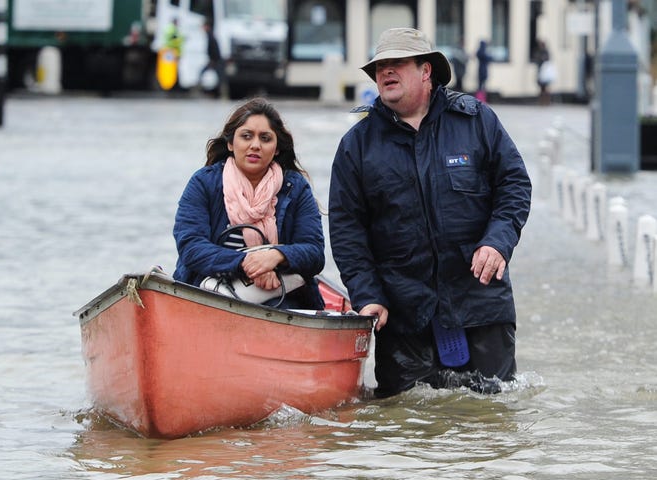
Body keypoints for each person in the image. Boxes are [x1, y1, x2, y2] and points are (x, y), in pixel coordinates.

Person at [328, 28, 532, 398]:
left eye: (397, 64)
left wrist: (498, 243)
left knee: (492, 422)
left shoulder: (476, 121)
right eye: (380, 66)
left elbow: (515, 186)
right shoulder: (356, 146)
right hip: (403, 319)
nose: (386, 72)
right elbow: (346, 230)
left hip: (480, 306)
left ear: (426, 71)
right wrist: (366, 294)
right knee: (407, 431)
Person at [173, 97, 326, 310]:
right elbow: (191, 247)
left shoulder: (296, 187)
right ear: (230, 143)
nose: (255, 145)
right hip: (209, 296)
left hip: (280, 297)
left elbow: (314, 253)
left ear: (277, 148)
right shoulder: (203, 183)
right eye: (246, 136)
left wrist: (276, 256)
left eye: (265, 138)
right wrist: (247, 264)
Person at [200, 19, 224, 98]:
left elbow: (213, 49)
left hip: (215, 59)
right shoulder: (210, 35)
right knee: (218, 76)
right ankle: (218, 93)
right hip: (214, 59)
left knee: (219, 76)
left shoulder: (210, 36)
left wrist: (212, 60)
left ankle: (221, 93)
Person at [533, 40, 554, 105]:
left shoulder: (545, 52)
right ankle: (542, 101)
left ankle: (546, 101)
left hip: (545, 72)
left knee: (545, 87)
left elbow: (546, 60)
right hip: (541, 71)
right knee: (542, 88)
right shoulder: (539, 51)